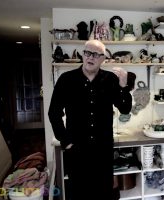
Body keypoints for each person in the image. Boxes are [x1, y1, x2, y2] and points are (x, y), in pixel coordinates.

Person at [48, 40, 132, 199]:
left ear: (103, 59)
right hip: (77, 150)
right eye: (87, 53)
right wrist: (65, 140)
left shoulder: (110, 79)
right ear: (82, 54)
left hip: (103, 149)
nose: (90, 57)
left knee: (104, 192)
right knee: (79, 193)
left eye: (95, 54)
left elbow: (125, 109)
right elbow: (54, 112)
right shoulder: (66, 79)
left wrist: (123, 86)